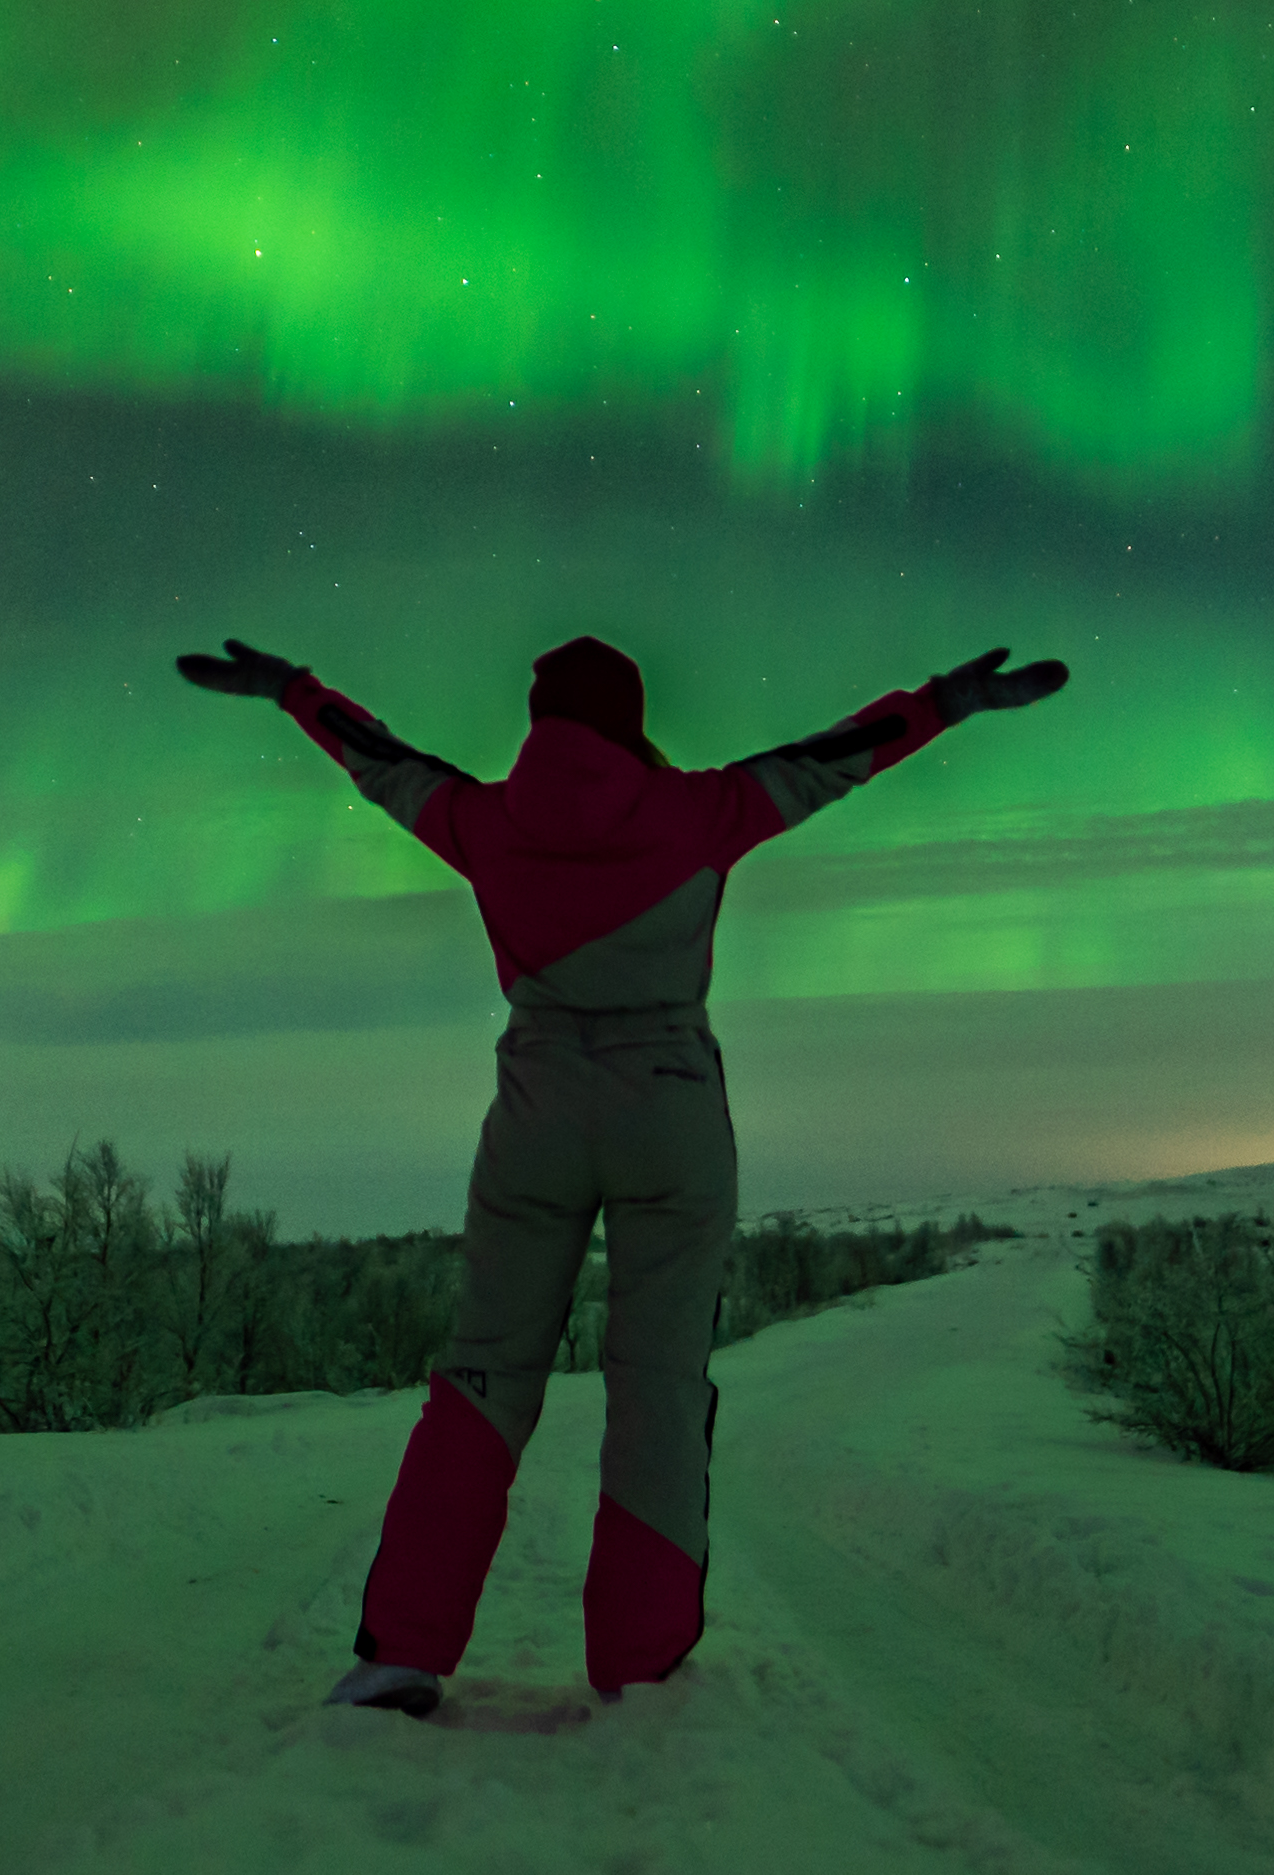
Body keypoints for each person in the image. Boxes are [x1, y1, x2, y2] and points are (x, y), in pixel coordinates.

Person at [172, 629, 1072, 1717]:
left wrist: (289, 690)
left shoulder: (485, 822)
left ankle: (402, 1649)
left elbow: (380, 760)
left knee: (486, 1371)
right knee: (656, 1378)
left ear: (541, 720)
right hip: (670, 1118)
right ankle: (637, 1658)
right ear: (630, 719)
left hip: (536, 1117)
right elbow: (842, 752)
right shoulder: (701, 811)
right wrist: (949, 699)